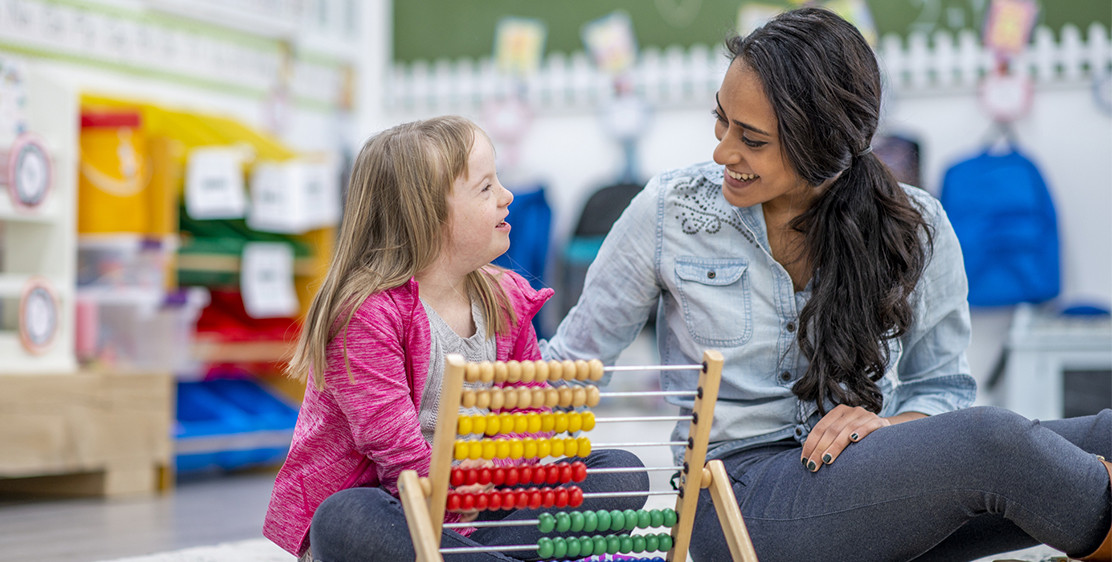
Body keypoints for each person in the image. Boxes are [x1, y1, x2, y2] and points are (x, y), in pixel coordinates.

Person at [542, 8, 1111, 561]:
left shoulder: (917, 224)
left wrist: (891, 427)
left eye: (752, 138)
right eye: (722, 120)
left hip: (868, 484)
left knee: (1101, 437)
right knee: (996, 446)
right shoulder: (669, 213)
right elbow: (571, 362)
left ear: (825, 148)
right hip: (739, 502)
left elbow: (942, 387)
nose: (722, 151)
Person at [263, 116, 648, 561]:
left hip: (482, 510)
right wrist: (468, 488)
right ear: (426, 215)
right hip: (398, 510)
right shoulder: (366, 315)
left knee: (621, 472)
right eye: (486, 189)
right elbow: (399, 457)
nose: (507, 197)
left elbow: (527, 416)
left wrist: (489, 475)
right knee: (344, 515)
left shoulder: (507, 299)